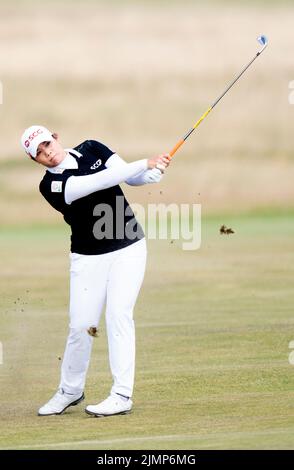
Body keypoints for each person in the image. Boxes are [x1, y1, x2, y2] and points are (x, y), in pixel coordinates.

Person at [20, 125, 170, 417]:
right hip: (87, 258)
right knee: (81, 326)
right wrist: (143, 164)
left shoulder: (92, 148)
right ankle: (70, 390)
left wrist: (150, 174)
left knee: (118, 316)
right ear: (35, 161)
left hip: (128, 247)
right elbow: (98, 182)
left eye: (47, 144)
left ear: (56, 137)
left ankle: (122, 394)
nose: (47, 153)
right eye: (38, 153)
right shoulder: (51, 186)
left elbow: (128, 174)